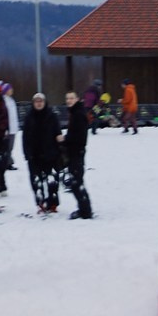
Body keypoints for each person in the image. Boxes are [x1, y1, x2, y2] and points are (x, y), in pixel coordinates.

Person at [22, 91, 62, 213]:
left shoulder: (52, 116)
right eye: (36, 101)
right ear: (33, 103)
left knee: (52, 181)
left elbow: (58, 133)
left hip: (51, 154)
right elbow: (25, 137)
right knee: (36, 181)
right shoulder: (29, 117)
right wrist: (27, 153)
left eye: (41, 101)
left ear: (45, 102)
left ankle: (53, 203)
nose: (39, 104)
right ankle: (41, 203)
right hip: (34, 155)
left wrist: (59, 150)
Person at [61, 90, 94, 219]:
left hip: (76, 152)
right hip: (75, 151)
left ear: (77, 99)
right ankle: (84, 208)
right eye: (67, 98)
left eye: (71, 98)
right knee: (76, 182)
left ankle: (85, 211)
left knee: (76, 182)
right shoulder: (75, 112)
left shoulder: (78, 114)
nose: (69, 100)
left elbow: (79, 136)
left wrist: (65, 140)